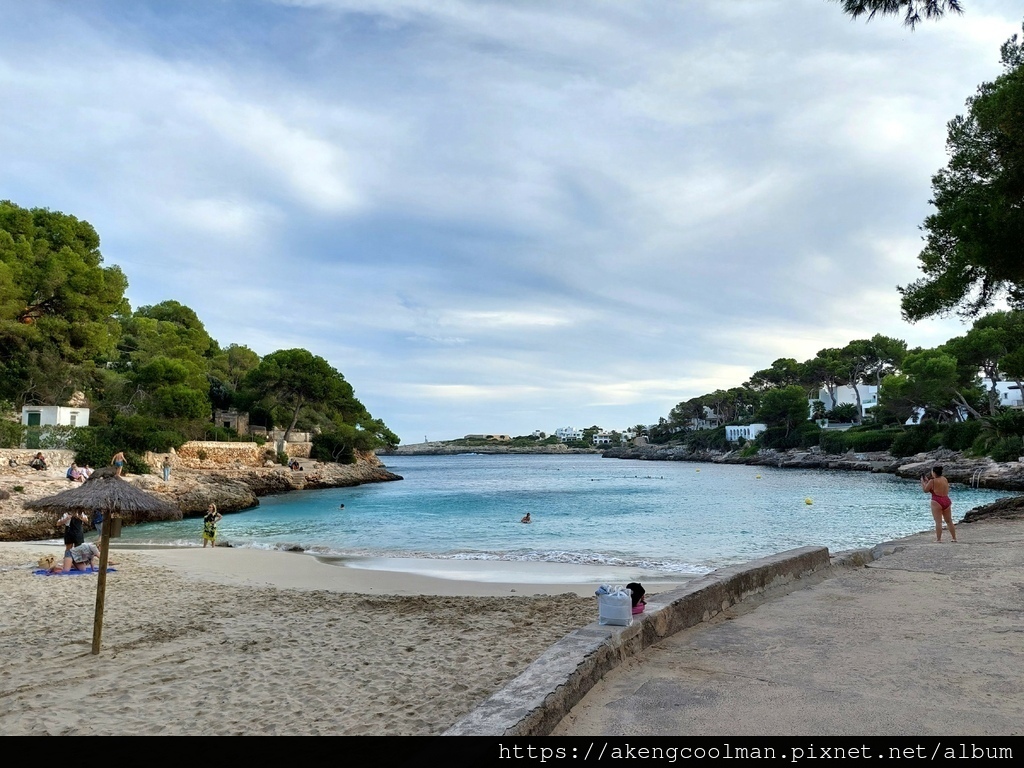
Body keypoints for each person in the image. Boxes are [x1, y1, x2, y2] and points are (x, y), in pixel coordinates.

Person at [921, 465, 957, 543]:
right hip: (946, 499)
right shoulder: (944, 479)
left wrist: (923, 482)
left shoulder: (932, 481)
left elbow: (925, 490)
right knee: (949, 521)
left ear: (934, 472)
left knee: (938, 521)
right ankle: (954, 538)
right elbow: (935, 489)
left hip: (936, 501)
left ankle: (938, 539)